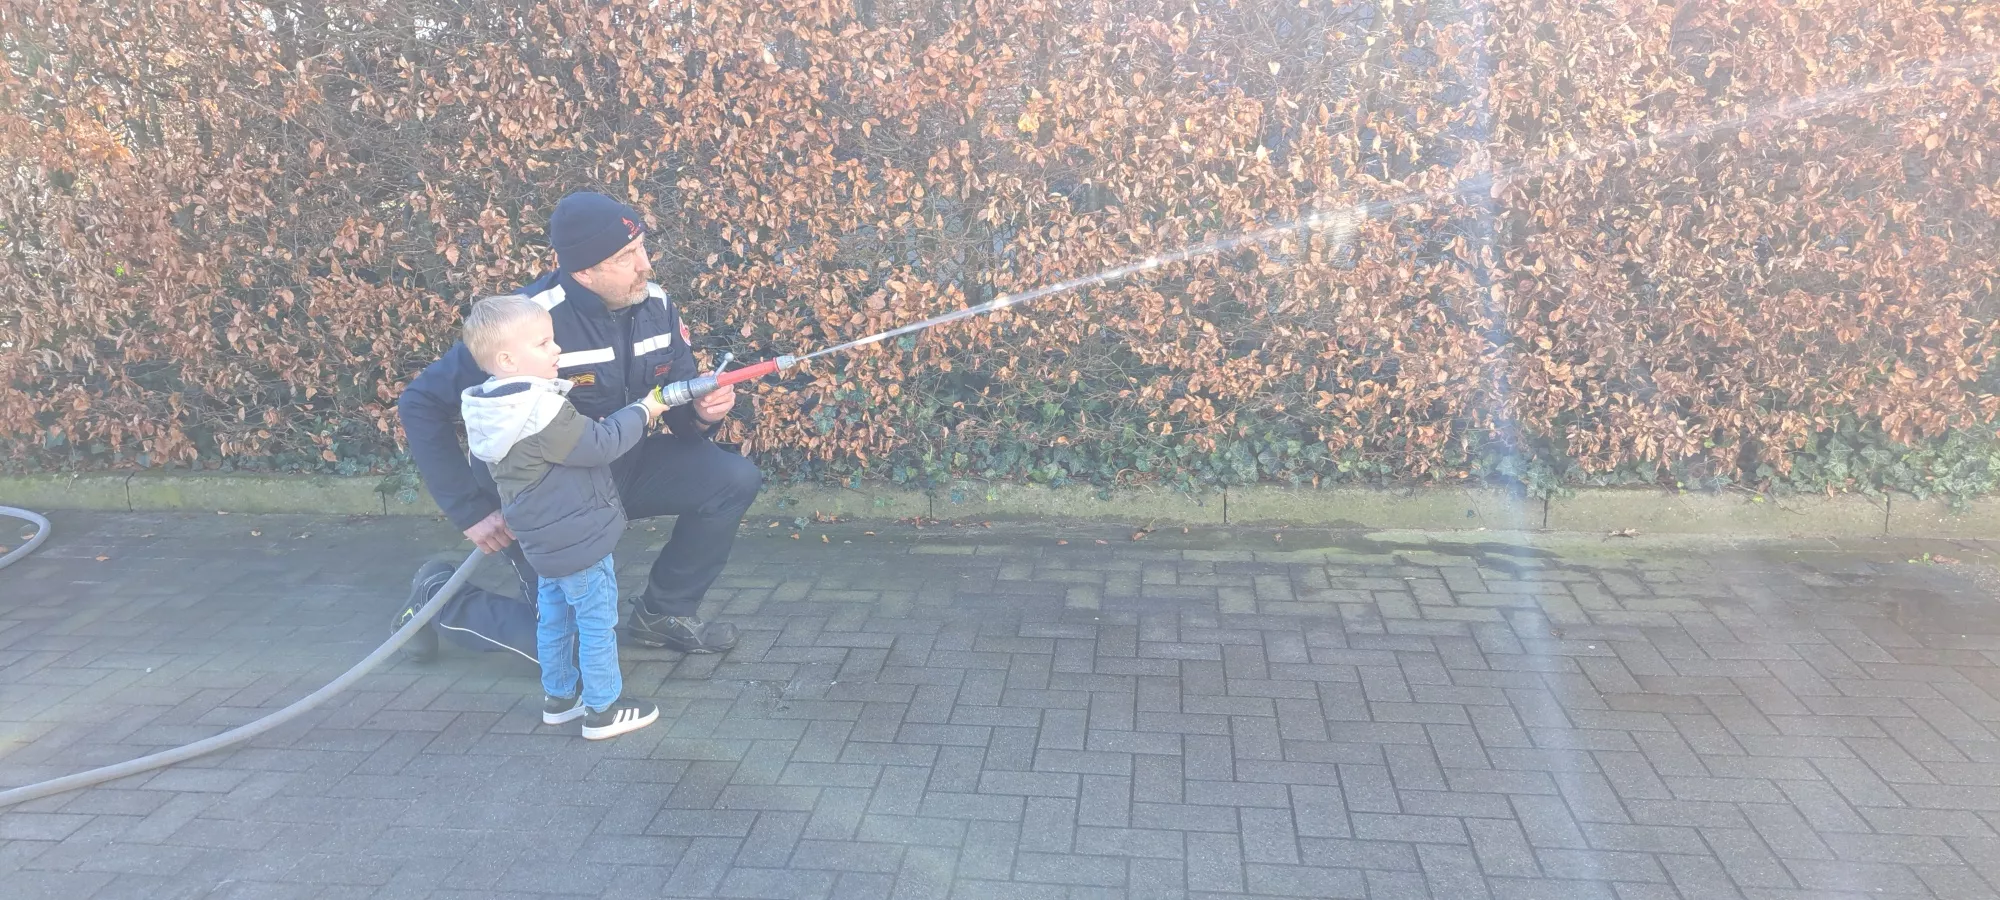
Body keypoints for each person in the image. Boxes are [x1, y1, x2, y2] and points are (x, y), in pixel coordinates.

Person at [392, 191, 761, 662]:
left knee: (732, 478)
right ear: (585, 272)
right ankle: (438, 600)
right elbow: (420, 403)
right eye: (627, 257)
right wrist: (470, 511)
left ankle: (664, 613)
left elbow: (676, 400)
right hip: (544, 500)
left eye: (642, 248)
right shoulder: (525, 323)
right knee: (568, 655)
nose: (645, 265)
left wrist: (704, 414)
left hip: (620, 465)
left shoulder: (656, 304)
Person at [458, 294, 664, 738]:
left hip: (541, 541)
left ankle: (560, 699)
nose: (557, 349)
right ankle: (603, 709)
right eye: (543, 343)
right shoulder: (541, 410)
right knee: (596, 624)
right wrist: (644, 410)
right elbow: (603, 444)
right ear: (508, 359)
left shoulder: (488, 407)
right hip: (578, 538)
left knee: (553, 619)